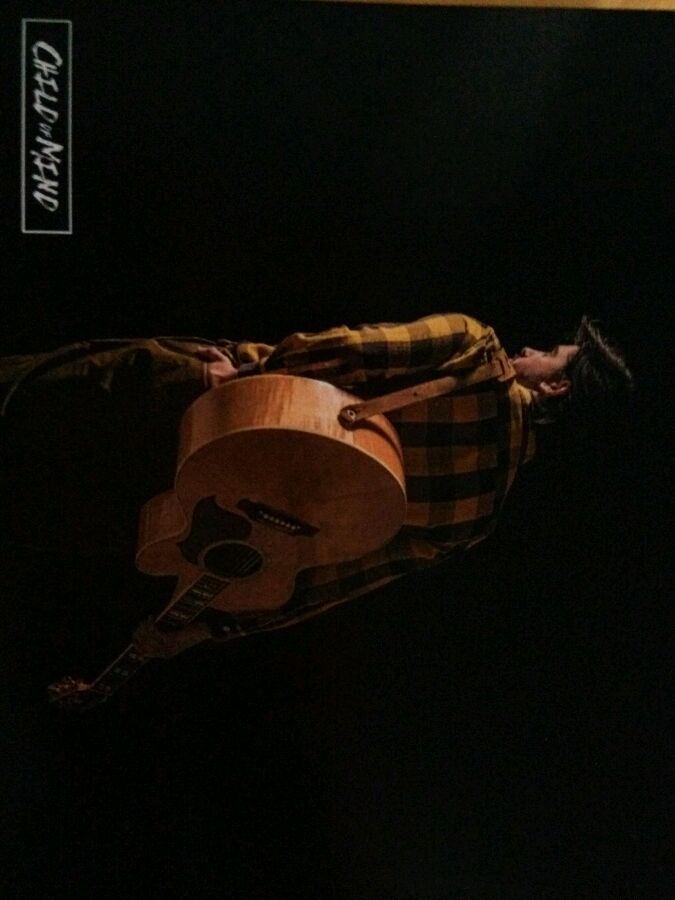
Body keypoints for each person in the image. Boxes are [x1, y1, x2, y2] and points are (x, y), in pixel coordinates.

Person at [0, 313, 633, 659]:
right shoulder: (474, 516)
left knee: (43, 392)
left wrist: (250, 375)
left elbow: (342, 350)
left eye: (551, 353)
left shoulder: (477, 350)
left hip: (211, 408)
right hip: (196, 513)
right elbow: (329, 579)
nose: (532, 349)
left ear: (557, 386)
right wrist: (208, 626)